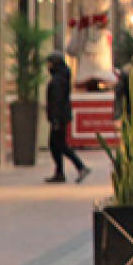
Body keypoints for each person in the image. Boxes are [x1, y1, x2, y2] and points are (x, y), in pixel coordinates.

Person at [45, 52, 89, 184]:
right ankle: (60, 172)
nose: (48, 66)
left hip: (59, 117)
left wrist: (55, 119)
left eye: (49, 63)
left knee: (59, 145)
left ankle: (80, 167)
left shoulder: (58, 81)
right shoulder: (62, 77)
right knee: (56, 145)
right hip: (61, 116)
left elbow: (57, 101)